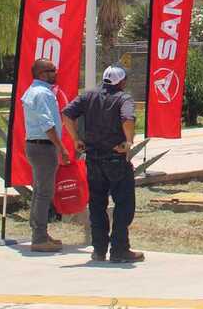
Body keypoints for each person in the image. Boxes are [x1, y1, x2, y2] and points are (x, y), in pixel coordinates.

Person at [63, 65, 142, 264]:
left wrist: (75, 139)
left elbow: (66, 114)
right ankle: (120, 250)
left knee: (97, 205)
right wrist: (129, 142)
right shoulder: (124, 98)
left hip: (93, 159)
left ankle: (99, 250)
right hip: (116, 158)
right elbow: (128, 118)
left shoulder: (88, 96)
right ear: (122, 82)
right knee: (124, 205)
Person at [21, 58, 72, 252]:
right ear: (42, 74)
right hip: (44, 147)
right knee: (44, 193)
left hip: (35, 146)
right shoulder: (42, 94)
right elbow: (47, 124)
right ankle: (39, 238)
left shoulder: (33, 91)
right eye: (52, 70)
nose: (56, 73)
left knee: (40, 191)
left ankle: (40, 232)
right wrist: (61, 148)